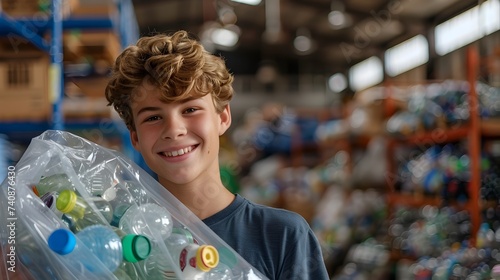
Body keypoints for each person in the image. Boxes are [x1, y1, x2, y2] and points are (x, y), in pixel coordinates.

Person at [105, 30, 329, 280]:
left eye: (190, 109)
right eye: (153, 117)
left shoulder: (281, 235)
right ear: (135, 136)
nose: (174, 130)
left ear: (223, 118)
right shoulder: (119, 242)